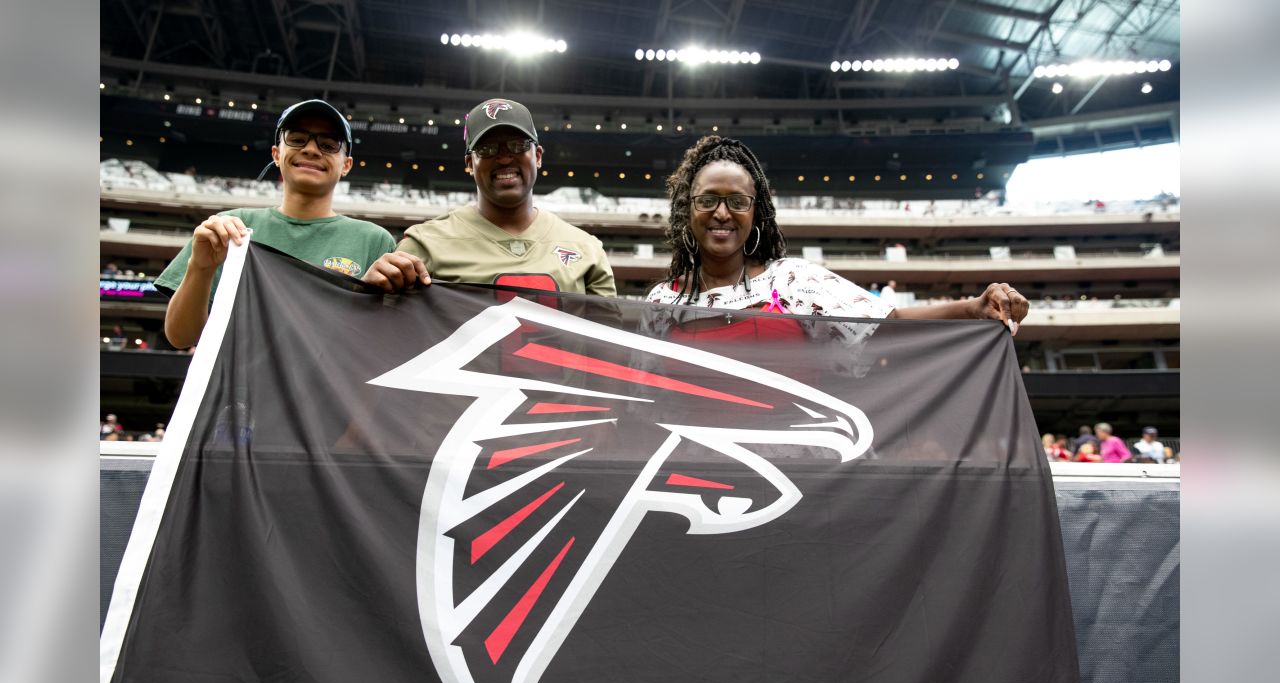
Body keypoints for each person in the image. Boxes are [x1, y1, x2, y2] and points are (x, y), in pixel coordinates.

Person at [645, 135, 1029, 332]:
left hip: (797, 472)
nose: (723, 214)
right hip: (687, 473)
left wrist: (973, 308)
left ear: (756, 212)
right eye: (708, 200)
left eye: (738, 201)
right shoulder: (660, 301)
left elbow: (889, 323)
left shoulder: (795, 280)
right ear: (687, 208)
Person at [156, 99, 396, 348]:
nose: (312, 150)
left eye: (328, 144)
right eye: (297, 139)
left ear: (346, 165)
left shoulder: (374, 240)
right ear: (276, 154)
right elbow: (181, 338)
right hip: (241, 386)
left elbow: (384, 341)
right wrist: (200, 268)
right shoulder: (230, 227)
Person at [361, 98, 615, 296]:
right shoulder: (425, 244)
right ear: (469, 163)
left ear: (537, 156)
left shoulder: (586, 249)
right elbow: (385, 335)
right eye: (487, 148)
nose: (504, 157)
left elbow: (611, 345)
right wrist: (369, 292)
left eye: (517, 145)